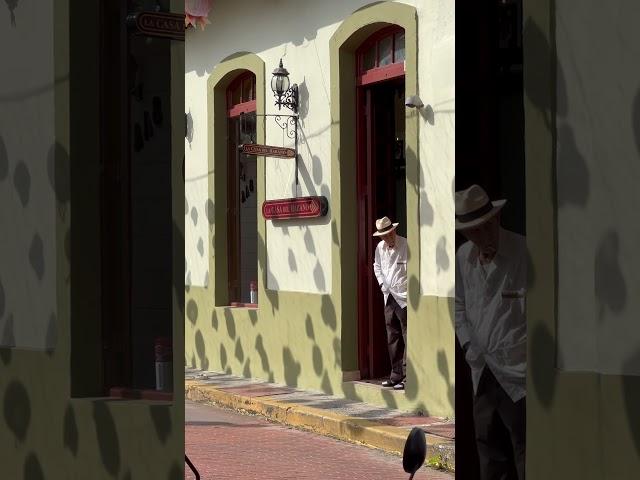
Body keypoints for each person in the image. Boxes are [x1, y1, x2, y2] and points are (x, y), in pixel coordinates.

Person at [455, 185, 527, 480]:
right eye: (472, 232)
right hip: (482, 370)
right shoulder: (463, 256)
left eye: (485, 228)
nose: (481, 237)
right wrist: (468, 344)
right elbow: (459, 305)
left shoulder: (524, 252)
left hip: (519, 373)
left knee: (525, 451)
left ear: (496, 220)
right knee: (489, 450)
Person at [373, 216, 408, 391]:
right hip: (389, 296)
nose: (387, 238)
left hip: (404, 296)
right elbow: (376, 266)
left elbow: (412, 268)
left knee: (407, 336)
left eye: (389, 234)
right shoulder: (380, 247)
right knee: (392, 336)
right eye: (383, 236)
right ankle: (395, 375)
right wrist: (381, 284)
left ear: (394, 230)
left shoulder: (405, 244)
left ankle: (408, 377)